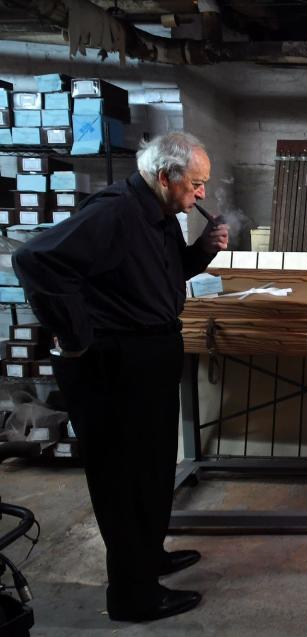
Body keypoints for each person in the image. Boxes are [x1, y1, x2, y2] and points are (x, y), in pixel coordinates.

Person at [13, 131, 228, 622]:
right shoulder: (113, 212)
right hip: (113, 364)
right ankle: (132, 596)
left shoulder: (161, 216)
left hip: (149, 355)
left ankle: (148, 558)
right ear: (164, 176)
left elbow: (163, 276)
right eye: (195, 184)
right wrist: (77, 337)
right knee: (123, 479)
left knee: (153, 468)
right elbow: (34, 260)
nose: (201, 195)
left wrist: (203, 249)